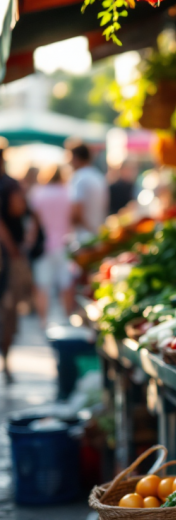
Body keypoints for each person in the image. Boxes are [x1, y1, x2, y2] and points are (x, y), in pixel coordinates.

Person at [0, 138, 31, 383]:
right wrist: (13, 248)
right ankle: (6, 362)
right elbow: (18, 210)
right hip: (6, 258)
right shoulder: (9, 184)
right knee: (8, 311)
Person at [28, 165, 74, 327]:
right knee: (66, 283)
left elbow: (34, 223)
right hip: (64, 243)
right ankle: (67, 317)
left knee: (42, 285)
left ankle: (43, 321)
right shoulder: (67, 192)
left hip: (44, 245)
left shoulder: (38, 193)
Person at [66, 140, 108, 243]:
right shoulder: (98, 176)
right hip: (96, 234)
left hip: (83, 238)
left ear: (75, 158)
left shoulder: (78, 178)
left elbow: (76, 212)